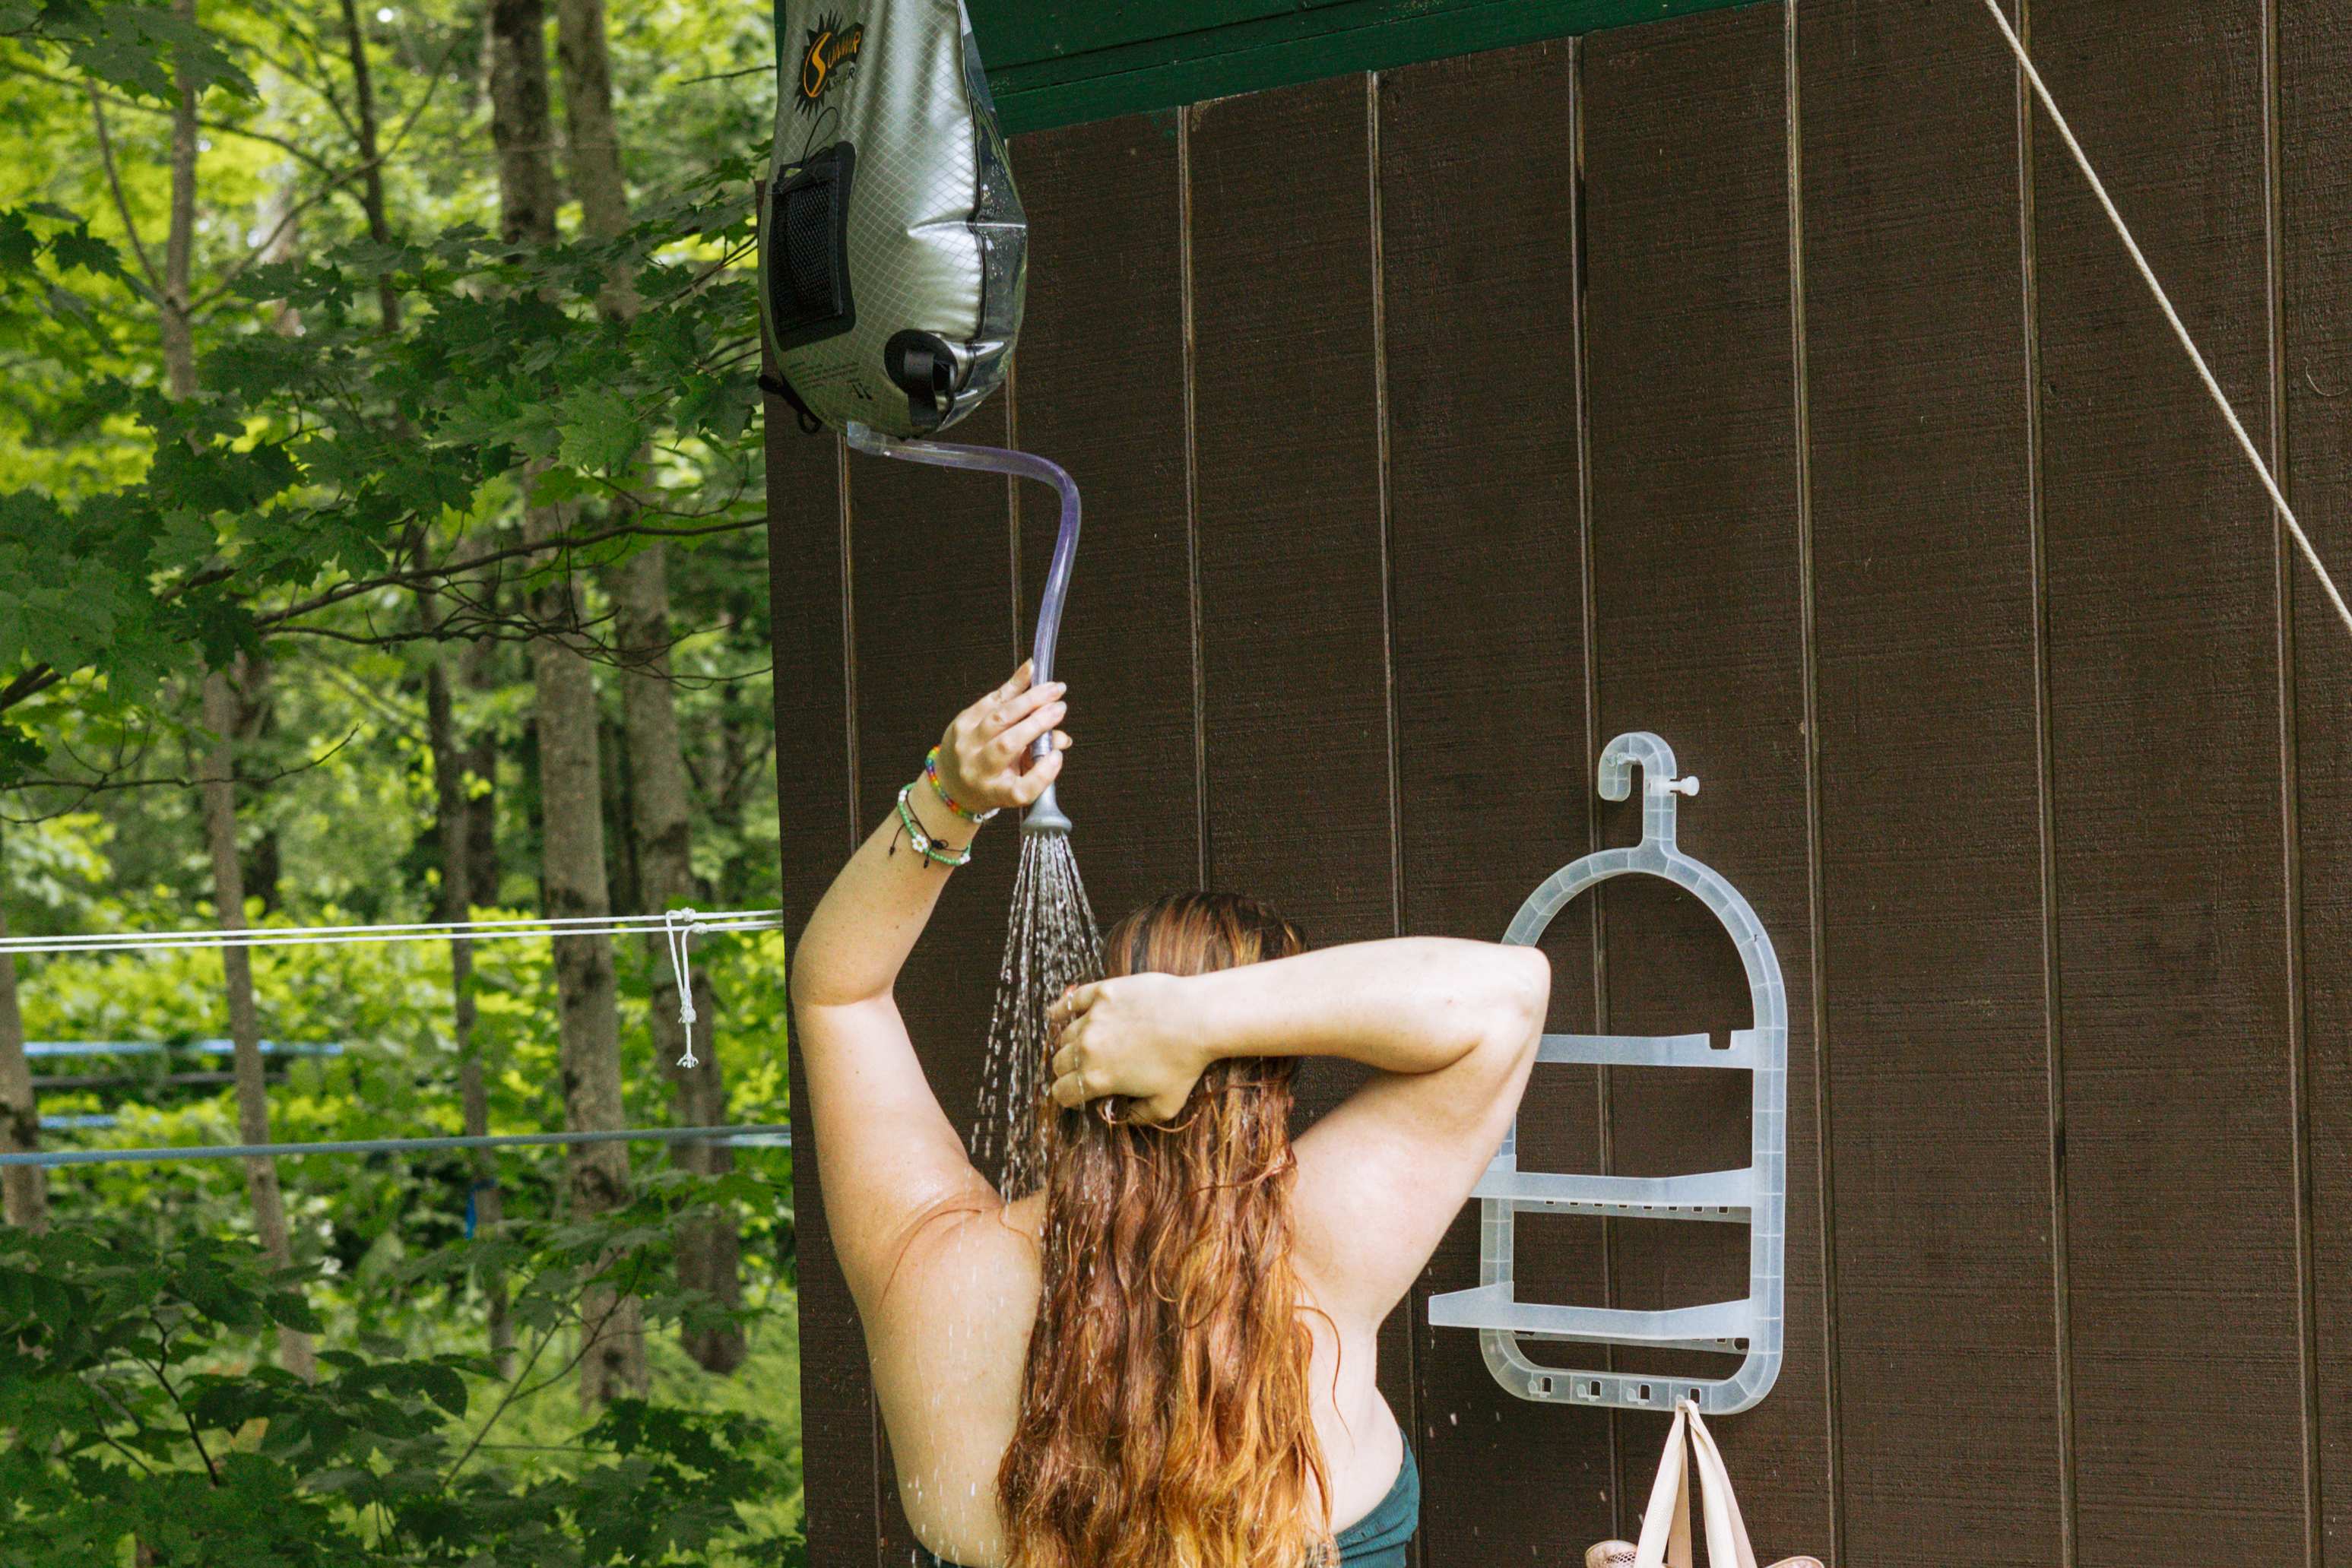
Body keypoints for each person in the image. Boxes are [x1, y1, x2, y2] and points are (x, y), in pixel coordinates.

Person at [791, 662, 1550, 1568]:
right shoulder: (1318, 1257)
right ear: (1271, 1079)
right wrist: (1196, 1022)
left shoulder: (935, 1264)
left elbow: (838, 993)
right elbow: (1506, 995)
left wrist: (947, 794)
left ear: (1084, 1025)